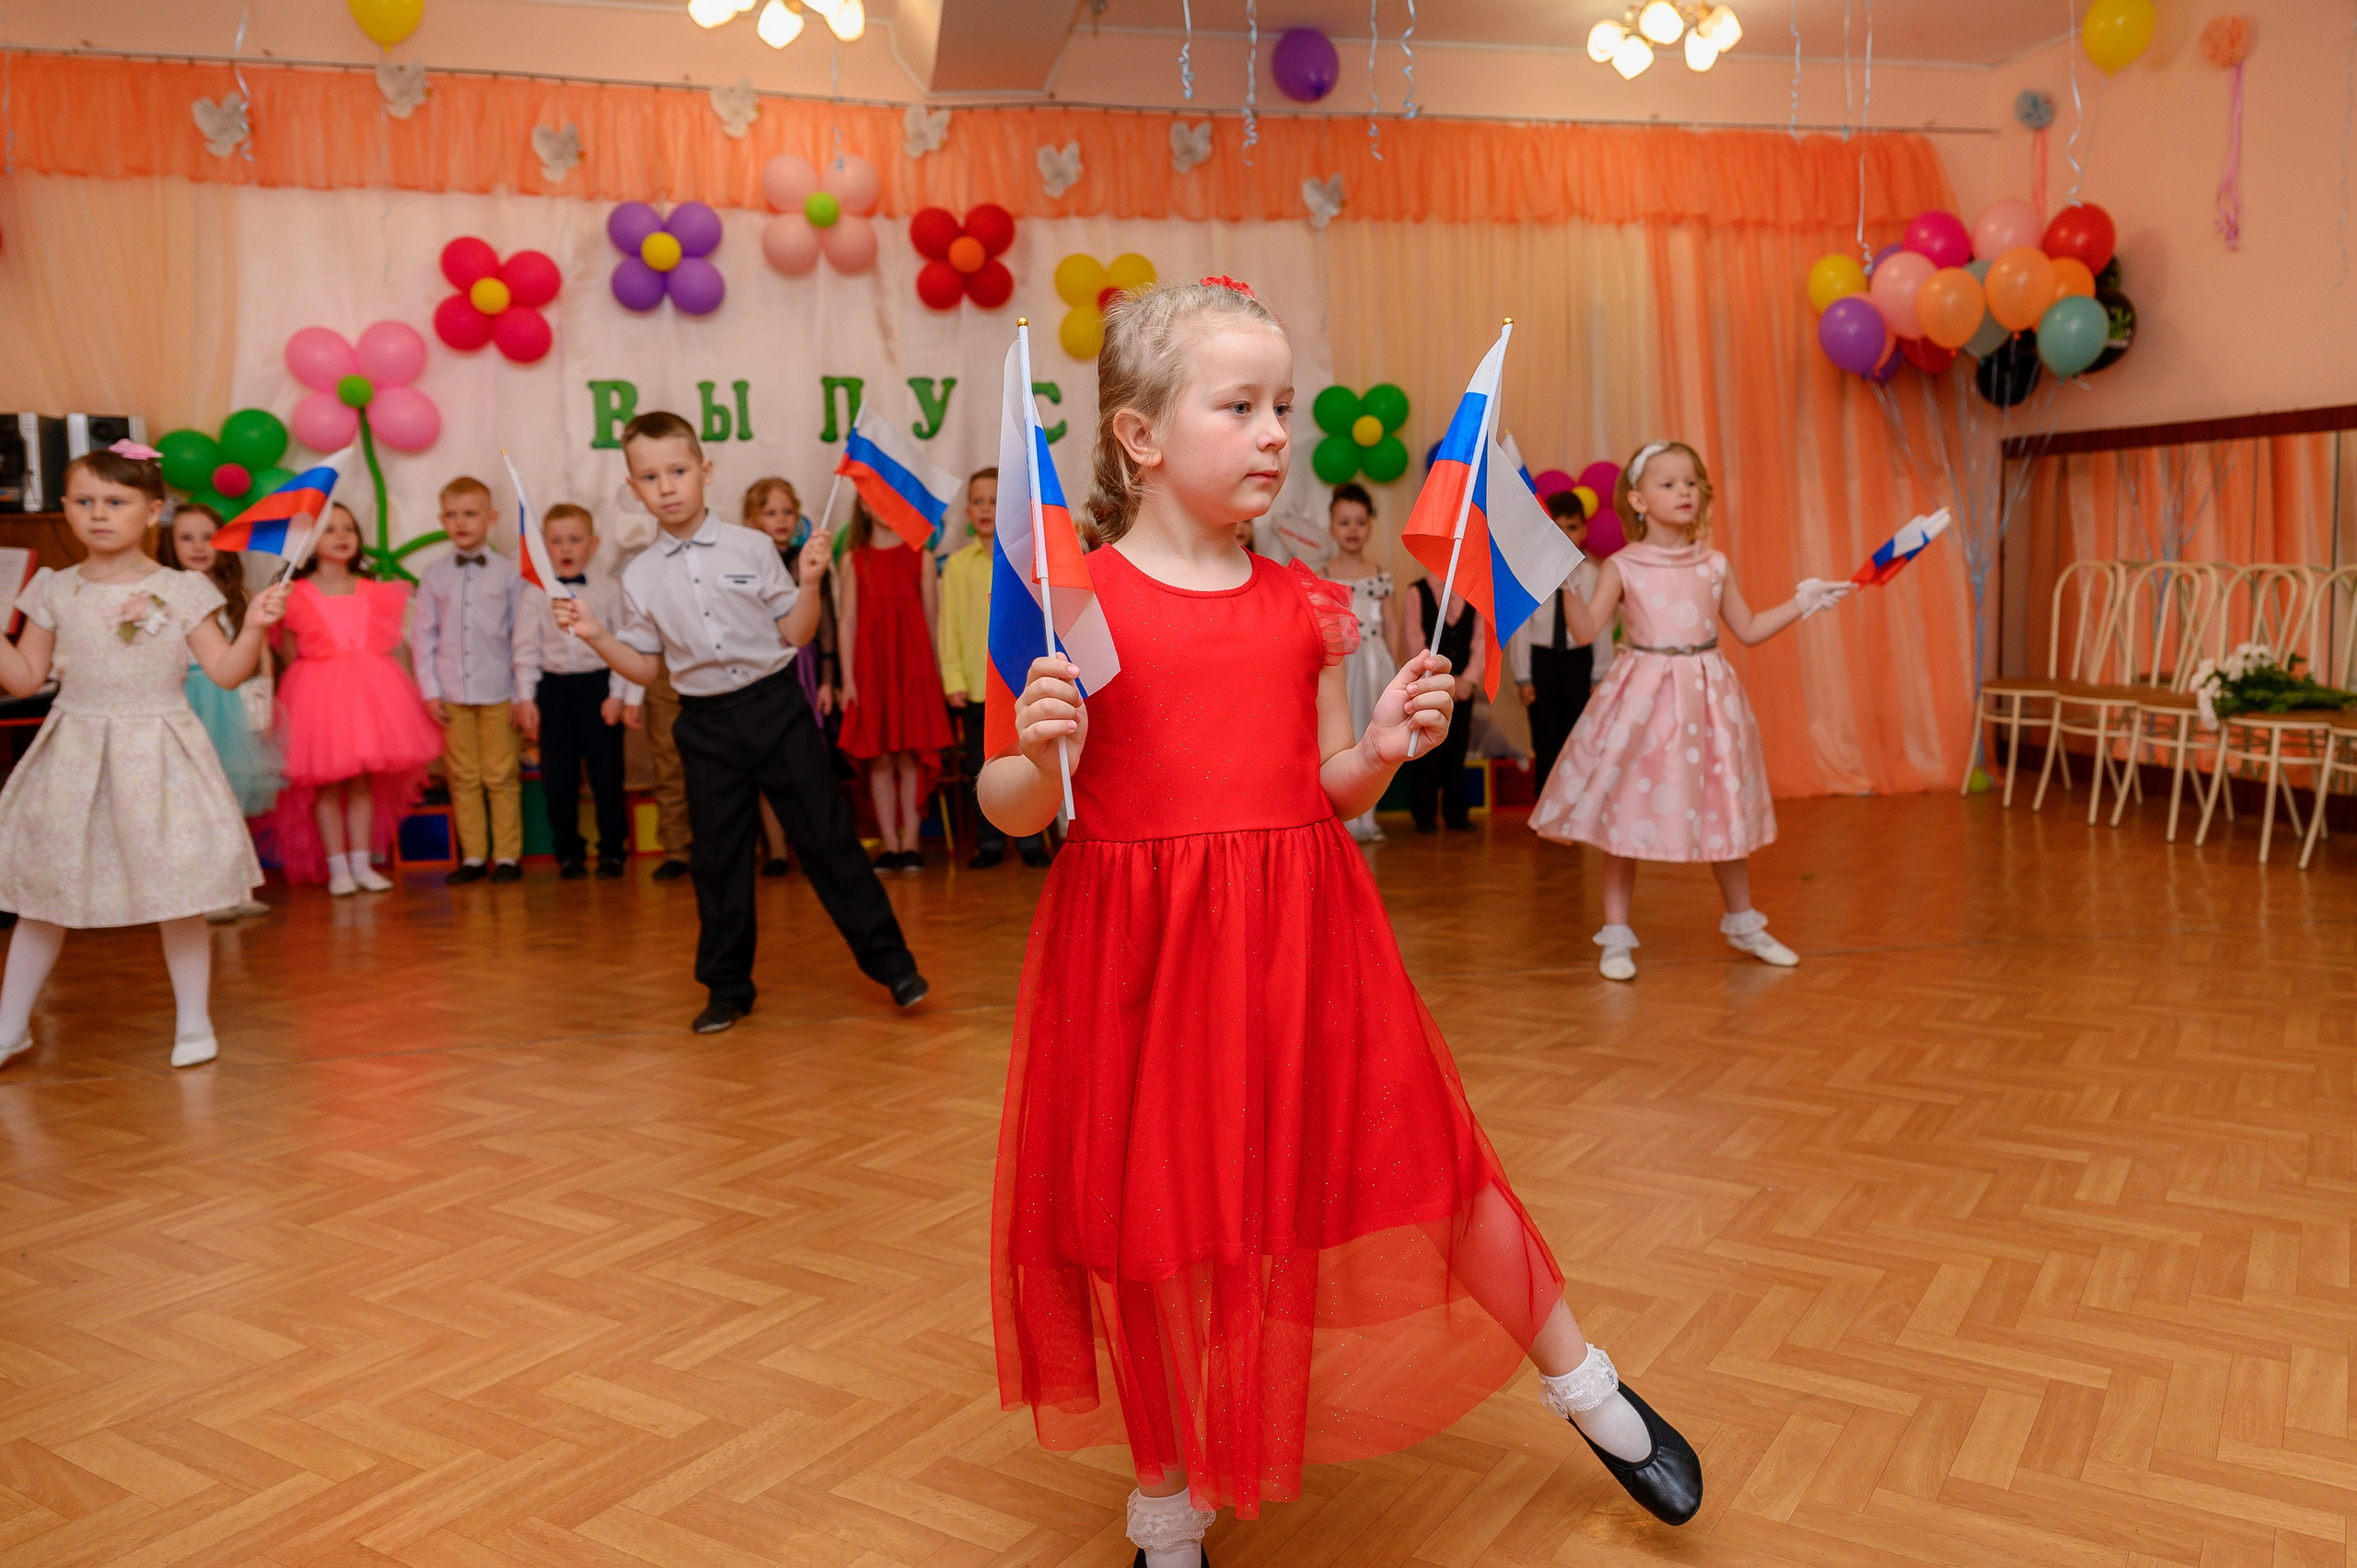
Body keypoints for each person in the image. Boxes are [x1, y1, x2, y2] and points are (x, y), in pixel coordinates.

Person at [980, 279, 1702, 1567]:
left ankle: (1585, 1382)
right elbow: (1012, 801)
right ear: (1141, 436)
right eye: (1240, 406)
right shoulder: (1071, 600)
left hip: (1305, 930)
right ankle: (1168, 1501)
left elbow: (1322, 786)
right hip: (1141, 949)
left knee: (1431, 1155)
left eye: (1284, 407)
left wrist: (1373, 748)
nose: (1274, 434)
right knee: (1162, 1221)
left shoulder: (1303, 603)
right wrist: (1039, 751)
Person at [555, 411, 929, 1033]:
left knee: (828, 840)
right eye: (650, 477)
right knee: (719, 860)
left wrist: (808, 584)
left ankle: (893, 965)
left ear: (704, 471)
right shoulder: (640, 575)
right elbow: (647, 670)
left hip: (776, 708)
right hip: (703, 724)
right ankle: (728, 986)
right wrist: (595, 635)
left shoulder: (752, 547)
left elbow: (796, 633)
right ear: (633, 488)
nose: (667, 486)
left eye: (677, 470)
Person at [0, 443, 288, 1071]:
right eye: (83, 501)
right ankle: (9, 1027)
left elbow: (226, 670)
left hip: (159, 748)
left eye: (115, 500)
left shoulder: (181, 589)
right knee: (46, 891)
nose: (98, 513)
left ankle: (193, 1021)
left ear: (153, 510)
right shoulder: (53, 587)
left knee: (176, 890)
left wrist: (257, 625)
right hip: (76, 749)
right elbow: (24, 678)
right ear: (67, 510)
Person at [1530, 440, 1851, 981]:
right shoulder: (1625, 565)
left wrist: (1803, 602)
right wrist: (1565, 586)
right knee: (1621, 809)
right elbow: (1585, 633)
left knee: (1720, 804)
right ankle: (1615, 935)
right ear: (1636, 498)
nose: (1684, 492)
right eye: (1668, 483)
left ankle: (1744, 921)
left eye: (1691, 483)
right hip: (1641, 698)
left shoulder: (1714, 563)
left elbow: (1746, 630)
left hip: (1706, 696)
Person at [266, 503, 445, 894]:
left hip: (370, 695)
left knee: (363, 784)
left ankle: (362, 864)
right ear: (310, 543)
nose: (343, 536)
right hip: (317, 697)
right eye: (331, 530)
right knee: (326, 786)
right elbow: (290, 657)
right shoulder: (295, 594)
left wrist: (408, 698)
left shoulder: (373, 592)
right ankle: (338, 869)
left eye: (348, 528)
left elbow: (392, 648)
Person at [157, 502, 283, 921]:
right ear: (169, 544)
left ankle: (238, 887)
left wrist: (262, 704)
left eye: (207, 537)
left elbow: (260, 654)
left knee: (228, 795)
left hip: (229, 703)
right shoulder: (161, 596)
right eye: (185, 537)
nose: (197, 547)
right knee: (190, 800)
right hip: (185, 701)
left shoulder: (237, 596)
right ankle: (200, 892)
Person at [412, 476, 532, 886]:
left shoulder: (509, 573)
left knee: (500, 775)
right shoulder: (433, 575)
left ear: (491, 518)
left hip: (499, 690)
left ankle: (508, 856)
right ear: (441, 519)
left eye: (470, 514)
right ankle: (475, 856)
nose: (461, 522)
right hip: (452, 693)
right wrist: (430, 691)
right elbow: (423, 635)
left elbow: (522, 634)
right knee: (463, 777)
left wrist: (523, 693)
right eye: (452, 515)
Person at [937, 468, 1047, 869]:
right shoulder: (956, 565)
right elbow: (948, 624)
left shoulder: (1026, 561)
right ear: (968, 511)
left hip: (1019, 681)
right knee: (979, 764)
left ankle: (1031, 839)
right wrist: (953, 677)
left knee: (1027, 759)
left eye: (995, 501)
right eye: (979, 501)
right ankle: (989, 842)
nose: (987, 509)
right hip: (976, 684)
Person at [837, 499, 954, 872]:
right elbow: (847, 623)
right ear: (863, 507)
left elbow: (934, 620)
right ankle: (890, 844)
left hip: (914, 669)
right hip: (872, 671)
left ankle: (911, 843)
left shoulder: (920, 555)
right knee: (881, 758)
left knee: (909, 754)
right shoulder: (854, 559)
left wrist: (937, 674)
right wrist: (849, 681)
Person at [518, 504, 630, 880]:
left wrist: (618, 695)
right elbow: (525, 648)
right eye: (556, 541)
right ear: (544, 546)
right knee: (559, 778)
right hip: (554, 690)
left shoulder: (609, 590)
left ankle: (613, 850)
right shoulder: (534, 593)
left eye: (575, 540)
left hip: (598, 686)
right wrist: (525, 697)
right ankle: (568, 852)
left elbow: (623, 645)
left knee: (607, 775)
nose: (565, 549)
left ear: (593, 544)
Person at [743, 475, 841, 877]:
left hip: (805, 668)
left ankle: (818, 849)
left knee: (809, 762)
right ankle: (778, 851)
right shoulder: (747, 563)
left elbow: (827, 624)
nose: (781, 520)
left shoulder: (810, 561)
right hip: (766, 670)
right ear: (753, 519)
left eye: (788, 512)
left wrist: (826, 679)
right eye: (770, 512)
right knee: (767, 764)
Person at [1507, 489, 1614, 792]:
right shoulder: (1529, 574)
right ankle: (1544, 805)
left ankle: (1574, 807)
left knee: (1578, 736)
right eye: (1557, 526)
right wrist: (1523, 676)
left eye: (1572, 527)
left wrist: (1599, 674)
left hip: (1579, 661)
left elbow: (1601, 628)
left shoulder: (1593, 576)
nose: (1565, 534)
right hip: (1542, 662)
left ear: (1584, 531)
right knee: (1545, 737)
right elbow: (1521, 629)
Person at [1319, 482, 1405, 842]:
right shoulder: (1323, 574)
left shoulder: (1379, 573)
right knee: (1343, 732)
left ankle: (1368, 817)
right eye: (1344, 522)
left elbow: (1392, 624)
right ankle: (1344, 818)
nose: (1352, 530)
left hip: (1374, 663)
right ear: (1331, 526)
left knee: (1374, 732)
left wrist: (1395, 666)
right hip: (1341, 664)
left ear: (1370, 525)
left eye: (1359, 522)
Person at [1403, 575, 1483, 832]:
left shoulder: (1477, 593)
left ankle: (1455, 811)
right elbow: (1414, 639)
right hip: (1429, 686)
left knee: (1458, 747)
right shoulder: (1416, 592)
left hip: (1462, 690)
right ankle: (1423, 813)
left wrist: (1469, 679)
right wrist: (1436, 679)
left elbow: (1482, 641)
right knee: (1426, 749)